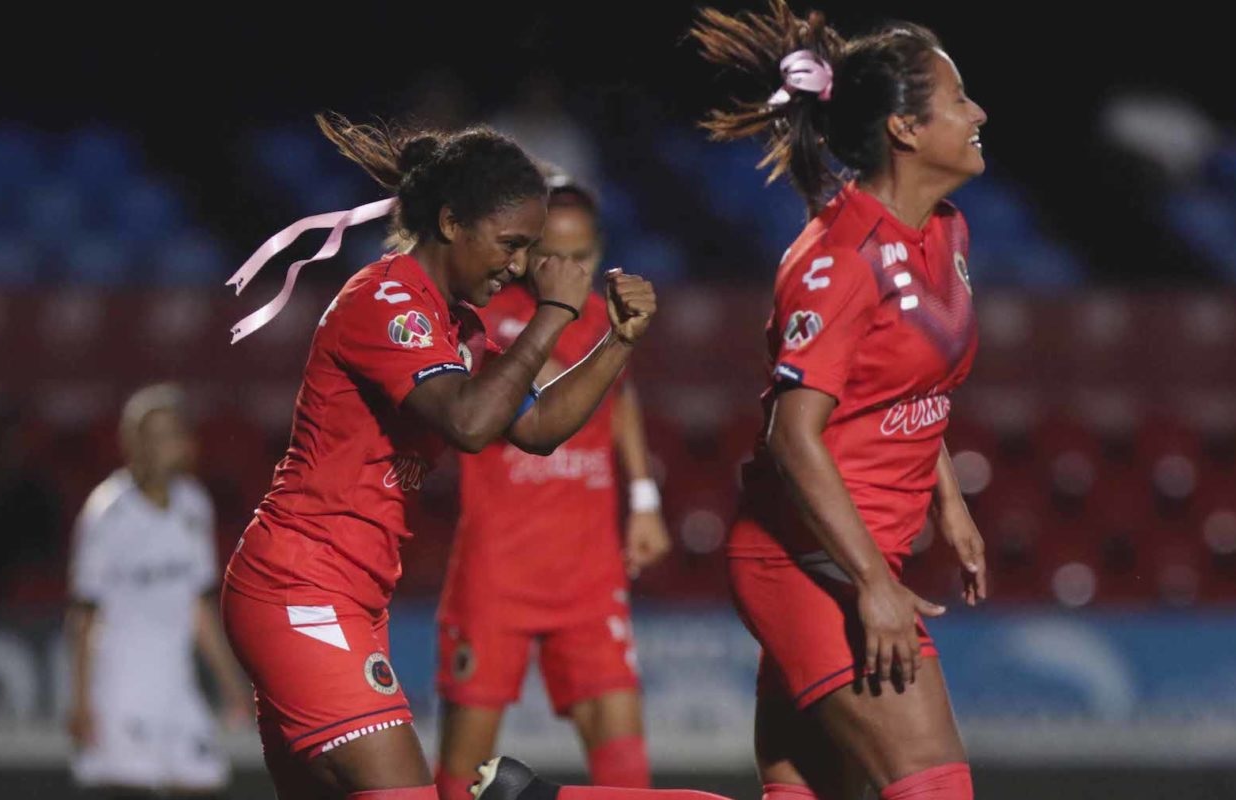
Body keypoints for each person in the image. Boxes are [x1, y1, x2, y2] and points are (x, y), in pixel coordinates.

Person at [477, 2, 990, 800]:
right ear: (906, 130)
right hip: (809, 564)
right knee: (936, 789)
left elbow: (905, 383)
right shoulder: (837, 261)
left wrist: (946, 499)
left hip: (858, 556)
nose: (979, 112)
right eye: (960, 100)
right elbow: (794, 435)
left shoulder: (946, 232)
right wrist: (873, 586)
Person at [219, 112, 657, 800]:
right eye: (510, 244)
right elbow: (469, 422)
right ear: (452, 222)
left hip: (351, 595)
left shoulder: (457, 324)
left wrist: (618, 343)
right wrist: (555, 313)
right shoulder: (387, 299)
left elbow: (536, 426)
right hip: (301, 588)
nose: (516, 265)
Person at [434, 175, 670, 800]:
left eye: (582, 254)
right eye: (551, 254)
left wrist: (644, 498)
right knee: (465, 766)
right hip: (498, 569)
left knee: (624, 756)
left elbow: (620, 402)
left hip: (588, 570)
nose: (567, 267)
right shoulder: (482, 319)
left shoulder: (606, 318)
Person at [67, 383, 249, 799]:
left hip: (176, 685)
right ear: (132, 442)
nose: (167, 445)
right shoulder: (107, 513)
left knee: (203, 781)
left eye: (173, 434)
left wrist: (231, 684)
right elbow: (83, 613)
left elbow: (198, 608)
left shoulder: (194, 506)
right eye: (155, 435)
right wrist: (79, 701)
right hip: (120, 687)